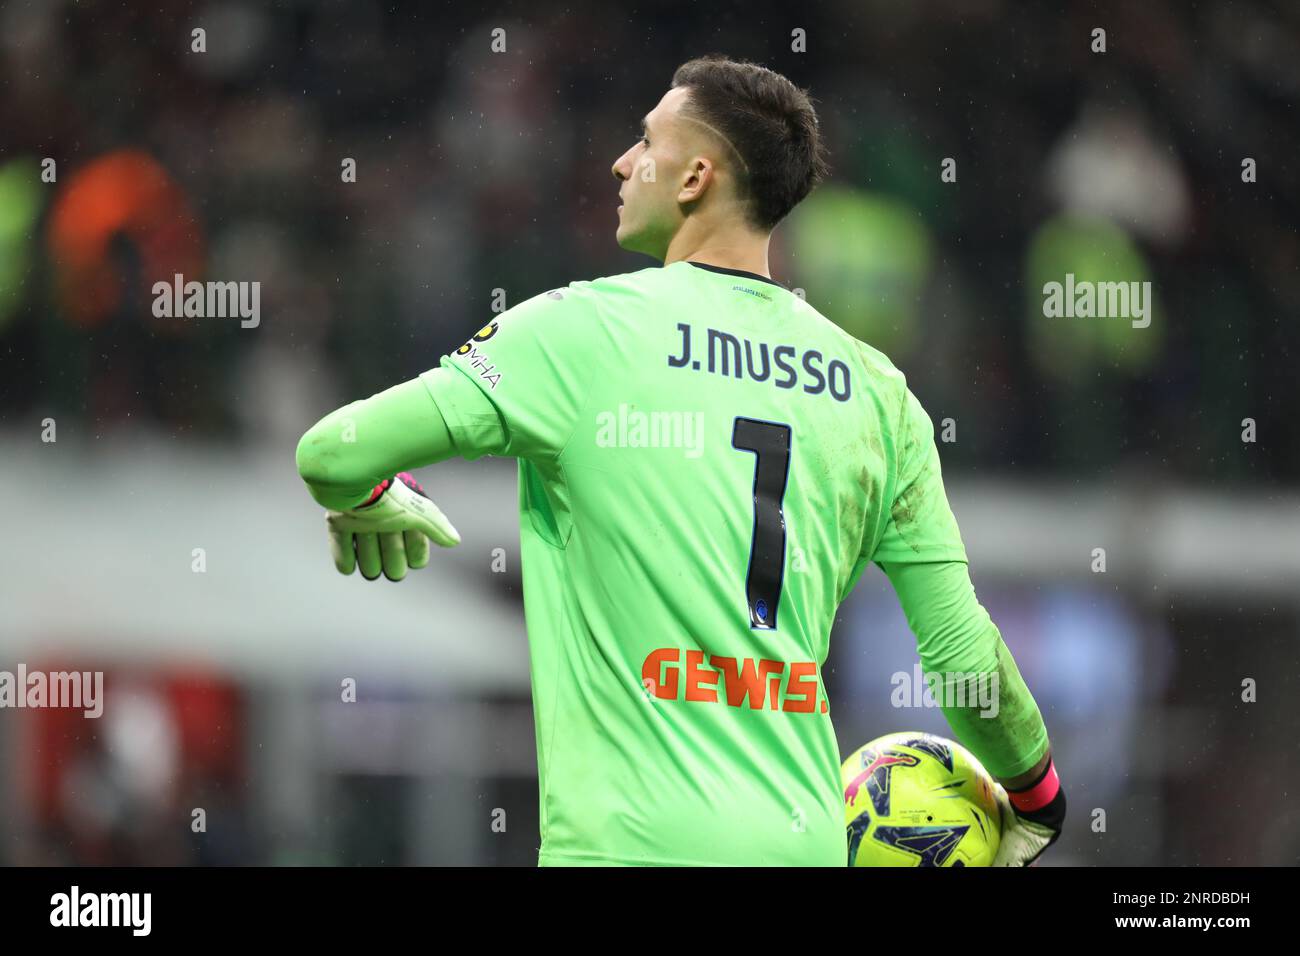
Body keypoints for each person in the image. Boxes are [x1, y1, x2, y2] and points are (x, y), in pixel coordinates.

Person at [296, 55, 1064, 866]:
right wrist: (1038, 800)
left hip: (627, 847)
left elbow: (331, 452)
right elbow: (962, 659)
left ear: (696, 176)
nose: (624, 163)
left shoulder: (579, 332)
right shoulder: (882, 397)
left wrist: (375, 491)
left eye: (644, 141)